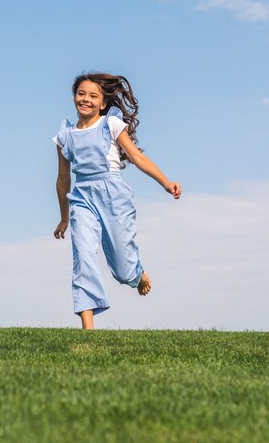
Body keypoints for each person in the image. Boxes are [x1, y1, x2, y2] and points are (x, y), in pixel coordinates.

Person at [53, 72, 181, 330]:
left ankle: (137, 274)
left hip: (113, 195)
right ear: (74, 97)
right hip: (82, 198)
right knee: (84, 255)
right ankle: (88, 330)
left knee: (122, 269)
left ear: (102, 103)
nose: (85, 99)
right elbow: (63, 180)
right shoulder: (65, 136)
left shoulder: (110, 125)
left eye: (93, 96)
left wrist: (166, 182)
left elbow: (137, 158)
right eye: (81, 94)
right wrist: (64, 218)